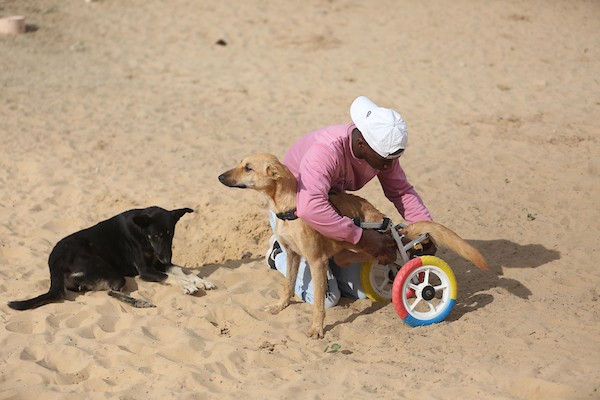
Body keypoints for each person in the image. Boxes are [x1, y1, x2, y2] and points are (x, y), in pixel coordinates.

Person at [266, 96, 433, 308]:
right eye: (385, 160)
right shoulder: (326, 151)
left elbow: (400, 190)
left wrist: (426, 230)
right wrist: (361, 237)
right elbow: (310, 207)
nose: (388, 167)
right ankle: (280, 252)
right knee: (328, 299)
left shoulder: (381, 152)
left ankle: (333, 265)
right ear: (362, 143)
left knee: (362, 291)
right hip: (296, 217)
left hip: (331, 209)